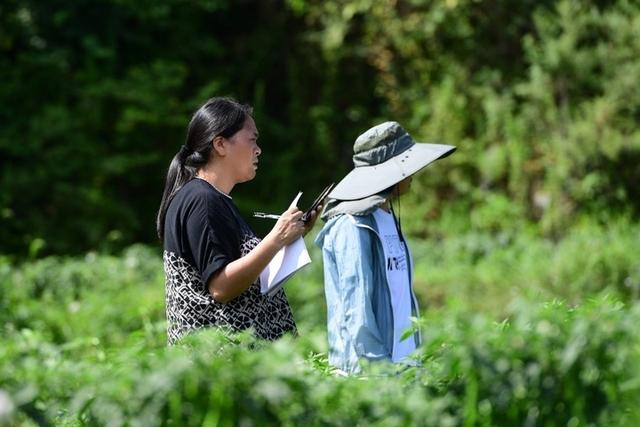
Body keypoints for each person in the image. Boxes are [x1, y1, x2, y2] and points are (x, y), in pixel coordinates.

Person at [157, 97, 320, 345]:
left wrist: (290, 238)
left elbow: (249, 274)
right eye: (252, 139)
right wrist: (275, 239)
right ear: (221, 144)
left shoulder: (213, 198)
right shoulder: (202, 200)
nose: (258, 149)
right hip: (219, 366)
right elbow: (222, 287)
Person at [315, 121, 456, 373]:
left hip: (405, 370)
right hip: (369, 378)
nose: (412, 174)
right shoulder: (352, 225)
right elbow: (356, 312)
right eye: (407, 166)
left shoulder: (387, 215)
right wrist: (379, 374)